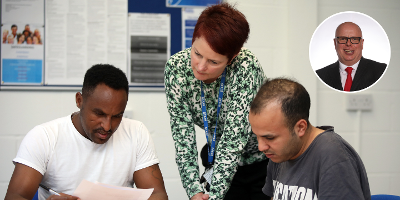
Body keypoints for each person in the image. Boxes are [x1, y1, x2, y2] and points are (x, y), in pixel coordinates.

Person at [5, 64, 168, 200]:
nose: (107, 126)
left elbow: (158, 195)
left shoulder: (136, 132)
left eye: (117, 116)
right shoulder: (44, 137)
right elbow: (14, 196)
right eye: (99, 114)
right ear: (79, 101)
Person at [164, 3, 269, 200]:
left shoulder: (246, 67)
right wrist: (194, 191)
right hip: (216, 160)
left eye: (213, 62)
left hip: (262, 164)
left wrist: (214, 197)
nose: (201, 67)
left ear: (232, 58)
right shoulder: (176, 70)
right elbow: (183, 138)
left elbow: (233, 141)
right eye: (197, 53)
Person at [249, 78, 371, 199]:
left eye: (269, 137)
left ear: (300, 128)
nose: (261, 147)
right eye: (257, 136)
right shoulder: (279, 153)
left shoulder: (332, 156)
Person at [316, 22, 387, 92]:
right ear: (335, 43)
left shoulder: (381, 71)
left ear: (362, 43)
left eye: (354, 39)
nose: (348, 44)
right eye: (343, 39)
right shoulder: (320, 75)